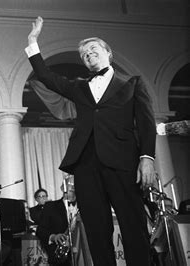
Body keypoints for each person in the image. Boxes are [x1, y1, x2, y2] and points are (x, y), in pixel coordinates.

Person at [25, 17, 157, 266]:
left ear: (108, 52)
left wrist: (146, 157)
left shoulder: (133, 84)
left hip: (123, 163)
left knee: (133, 226)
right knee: (96, 230)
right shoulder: (79, 87)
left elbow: (147, 124)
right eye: (84, 54)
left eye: (93, 49)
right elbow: (46, 76)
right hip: (85, 164)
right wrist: (33, 42)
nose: (88, 54)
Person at [37, 176, 78, 266]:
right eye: (71, 189)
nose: (74, 192)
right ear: (63, 188)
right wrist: (53, 237)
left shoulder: (84, 208)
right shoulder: (50, 206)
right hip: (61, 259)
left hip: (82, 255)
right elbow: (40, 230)